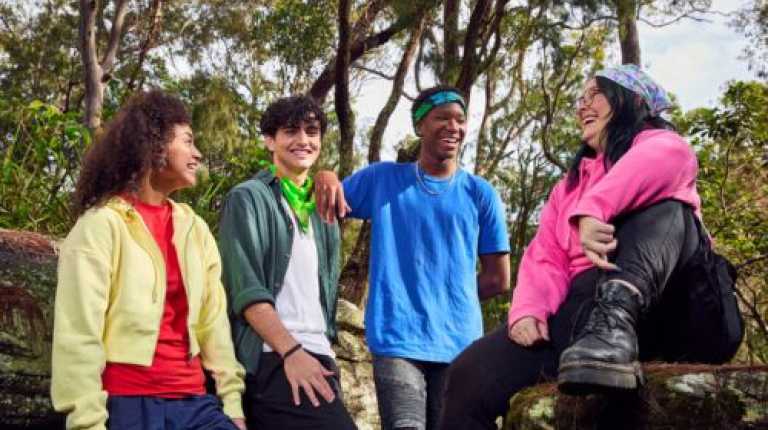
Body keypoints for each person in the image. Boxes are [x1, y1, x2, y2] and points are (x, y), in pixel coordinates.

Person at [438, 64, 742, 429]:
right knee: (466, 375)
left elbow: (668, 157)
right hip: (588, 316)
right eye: (579, 99)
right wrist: (529, 309)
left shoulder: (661, 146)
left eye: (594, 95)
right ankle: (604, 336)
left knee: (670, 210)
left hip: (680, 308)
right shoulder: (566, 188)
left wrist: (595, 208)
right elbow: (545, 256)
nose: (582, 106)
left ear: (632, 101)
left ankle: (615, 325)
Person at [314, 85, 511, 430]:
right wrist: (324, 175)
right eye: (442, 118)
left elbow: (499, 278)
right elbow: (327, 204)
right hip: (397, 338)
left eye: (461, 120)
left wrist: (448, 294)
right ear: (420, 126)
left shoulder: (480, 193)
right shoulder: (382, 179)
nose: (453, 126)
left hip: (460, 342)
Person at [51, 90, 246, 430]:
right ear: (154, 145)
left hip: (196, 404)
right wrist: (87, 422)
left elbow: (214, 323)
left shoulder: (195, 230)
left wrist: (232, 404)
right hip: (128, 404)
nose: (197, 153)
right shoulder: (100, 226)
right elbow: (79, 334)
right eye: (187, 141)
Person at [218, 95, 356, 430]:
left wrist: (329, 175)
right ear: (270, 140)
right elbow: (246, 290)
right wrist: (291, 353)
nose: (303, 140)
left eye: (311, 131)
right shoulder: (248, 197)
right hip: (274, 355)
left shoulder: (323, 207)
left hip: (319, 353)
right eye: (290, 131)